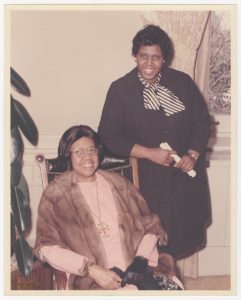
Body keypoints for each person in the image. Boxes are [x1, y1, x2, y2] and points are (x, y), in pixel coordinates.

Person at [98, 24, 211, 259]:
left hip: (183, 180)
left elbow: (201, 122)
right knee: (148, 249)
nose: (149, 63)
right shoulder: (120, 90)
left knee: (178, 243)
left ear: (164, 59)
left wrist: (193, 154)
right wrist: (149, 153)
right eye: (143, 56)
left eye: (156, 58)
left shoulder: (182, 83)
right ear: (135, 56)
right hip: (144, 184)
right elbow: (108, 137)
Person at [34, 125, 183, 290]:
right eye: (78, 152)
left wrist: (140, 261)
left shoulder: (119, 184)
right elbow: (45, 248)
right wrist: (91, 269)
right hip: (91, 279)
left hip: (136, 271)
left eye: (91, 150)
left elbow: (150, 226)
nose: (87, 157)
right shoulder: (55, 194)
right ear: (68, 156)